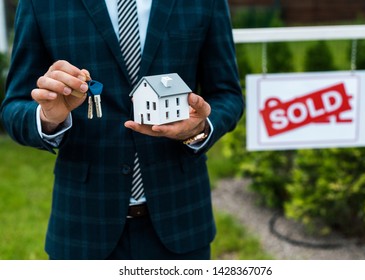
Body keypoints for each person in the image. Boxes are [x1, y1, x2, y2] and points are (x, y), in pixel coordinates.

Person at [0, 0, 243, 260]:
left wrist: (200, 128)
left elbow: (227, 95)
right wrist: (48, 118)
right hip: (83, 225)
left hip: (181, 218)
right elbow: (14, 107)